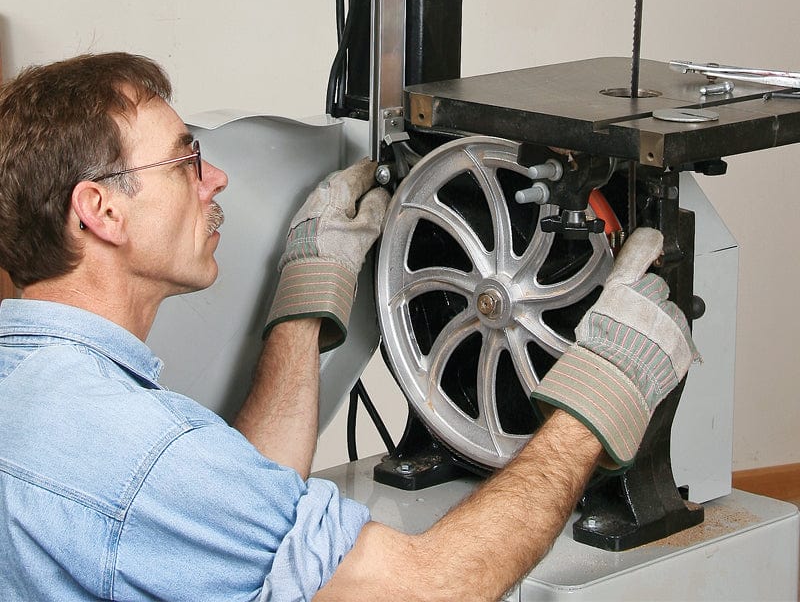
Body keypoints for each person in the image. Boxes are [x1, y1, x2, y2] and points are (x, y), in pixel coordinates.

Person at [0, 52, 697, 602]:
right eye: (186, 160)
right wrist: (600, 394)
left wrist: (308, 299)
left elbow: (239, 505)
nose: (215, 179)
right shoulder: (144, 456)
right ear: (100, 210)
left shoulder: (42, 393)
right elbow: (428, 590)